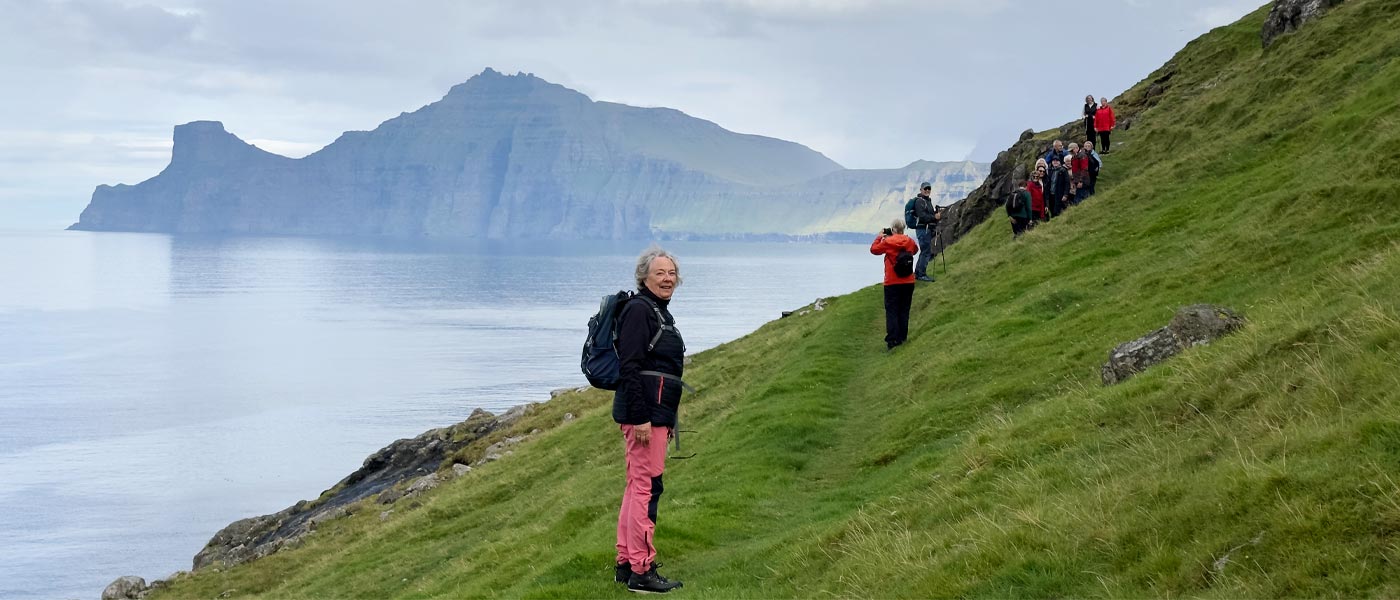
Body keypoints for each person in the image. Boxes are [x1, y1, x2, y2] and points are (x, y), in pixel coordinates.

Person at [612, 247, 686, 594]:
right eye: (660, 273)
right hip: (644, 417)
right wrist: (642, 418)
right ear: (644, 277)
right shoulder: (640, 310)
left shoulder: (656, 311)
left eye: (671, 272)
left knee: (636, 486)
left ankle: (627, 563)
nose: (668, 278)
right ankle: (642, 571)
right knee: (645, 489)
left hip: (655, 415)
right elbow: (629, 366)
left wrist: (664, 418)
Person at [870, 219, 919, 350]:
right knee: (904, 310)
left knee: (892, 311)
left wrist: (880, 237)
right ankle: (902, 337)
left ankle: (892, 340)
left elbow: (874, 250)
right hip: (908, 281)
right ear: (903, 228)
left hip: (892, 282)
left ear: (892, 229)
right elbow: (915, 250)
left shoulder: (887, 242)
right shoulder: (909, 241)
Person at [910, 182, 943, 283]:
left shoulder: (926, 201)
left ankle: (917, 273)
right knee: (926, 252)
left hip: (925, 230)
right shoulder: (920, 202)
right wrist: (934, 217)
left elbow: (927, 215)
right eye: (925, 188)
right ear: (921, 190)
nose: (927, 190)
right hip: (922, 230)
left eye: (929, 188)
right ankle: (922, 274)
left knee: (924, 252)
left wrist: (934, 214)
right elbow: (922, 217)